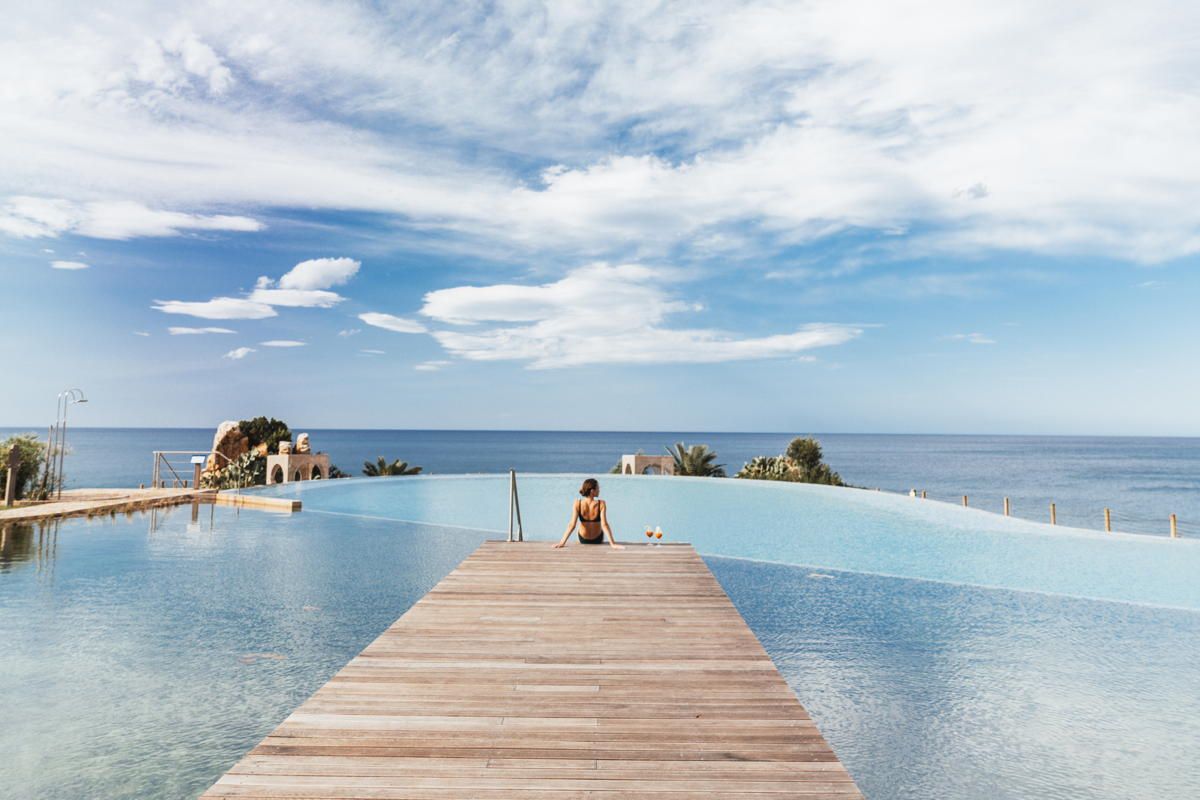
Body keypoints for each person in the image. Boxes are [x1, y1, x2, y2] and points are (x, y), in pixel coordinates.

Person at [553, 477, 623, 549]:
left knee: (579, 526)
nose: (599, 490)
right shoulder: (601, 503)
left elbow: (572, 525)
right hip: (597, 539)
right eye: (598, 488)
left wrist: (562, 542)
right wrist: (612, 544)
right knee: (599, 527)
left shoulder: (577, 503)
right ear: (592, 491)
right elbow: (604, 524)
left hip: (583, 539)